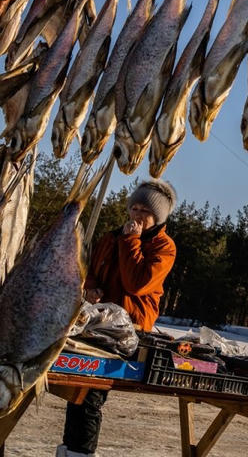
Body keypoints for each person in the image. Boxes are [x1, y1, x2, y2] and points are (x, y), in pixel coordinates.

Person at [57, 179, 178, 457]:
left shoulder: (164, 247)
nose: (136, 215)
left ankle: (80, 452)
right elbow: (90, 270)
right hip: (98, 323)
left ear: (157, 217)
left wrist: (131, 241)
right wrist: (91, 287)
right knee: (78, 387)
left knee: (91, 391)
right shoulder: (112, 237)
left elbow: (137, 283)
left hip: (129, 330)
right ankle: (72, 449)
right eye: (133, 208)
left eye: (144, 211)